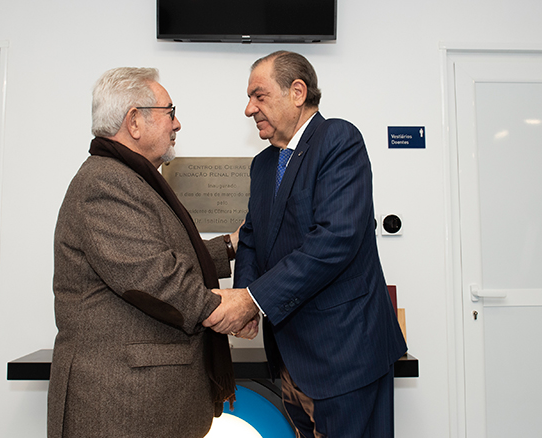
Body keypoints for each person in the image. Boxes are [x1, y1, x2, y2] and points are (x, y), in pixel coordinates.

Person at [203, 51, 407, 437]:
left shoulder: (338, 139)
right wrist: (246, 300)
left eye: (259, 96)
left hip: (345, 356)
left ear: (297, 92)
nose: (249, 109)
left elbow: (335, 239)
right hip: (290, 361)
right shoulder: (263, 165)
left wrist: (252, 300)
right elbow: (251, 239)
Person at [47, 67, 257, 438]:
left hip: (139, 403)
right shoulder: (105, 182)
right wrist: (227, 309)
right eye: (170, 112)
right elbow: (153, 277)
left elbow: (165, 258)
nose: (177, 124)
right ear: (134, 121)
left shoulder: (128, 178)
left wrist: (231, 245)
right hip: (120, 406)